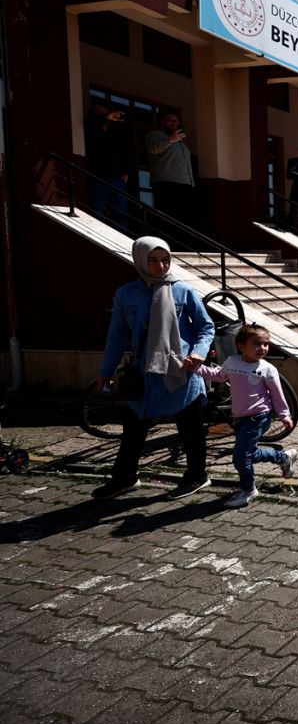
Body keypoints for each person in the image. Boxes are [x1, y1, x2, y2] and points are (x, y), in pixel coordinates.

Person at [93, 237, 214, 500]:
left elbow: (206, 327)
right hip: (144, 373)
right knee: (134, 428)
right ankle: (124, 478)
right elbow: (116, 335)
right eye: (153, 260)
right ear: (139, 259)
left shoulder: (183, 290)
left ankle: (197, 476)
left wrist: (198, 353)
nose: (160, 266)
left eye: (165, 259)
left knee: (190, 428)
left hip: (181, 371)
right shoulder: (126, 294)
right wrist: (106, 370)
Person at [189, 323, 296, 508]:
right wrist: (196, 368)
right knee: (249, 454)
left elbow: (277, 395)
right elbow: (218, 375)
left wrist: (284, 415)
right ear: (241, 346)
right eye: (257, 344)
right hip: (240, 418)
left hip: (259, 416)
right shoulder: (232, 362)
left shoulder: (268, 369)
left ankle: (248, 489)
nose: (262, 348)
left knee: (240, 457)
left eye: (266, 344)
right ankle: (283, 458)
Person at [85, 104, 133, 232]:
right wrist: (104, 117)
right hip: (97, 175)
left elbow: (126, 152)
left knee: (120, 213)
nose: (103, 115)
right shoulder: (91, 128)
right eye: (98, 113)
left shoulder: (116, 132)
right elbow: (91, 128)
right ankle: (96, 237)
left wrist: (127, 172)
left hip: (117, 177)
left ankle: (122, 242)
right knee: (97, 211)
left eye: (104, 112)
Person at [144, 112, 196, 226]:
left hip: (185, 185)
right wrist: (170, 140)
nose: (173, 122)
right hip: (166, 184)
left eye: (176, 120)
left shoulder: (181, 141)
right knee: (167, 218)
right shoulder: (154, 135)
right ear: (162, 122)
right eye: (170, 119)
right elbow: (152, 149)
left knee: (183, 220)